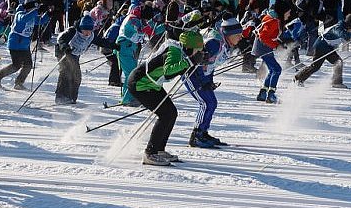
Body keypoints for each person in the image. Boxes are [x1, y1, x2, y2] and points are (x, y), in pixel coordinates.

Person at [128, 30, 204, 166]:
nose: (198, 53)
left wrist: (200, 76)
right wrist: (190, 61)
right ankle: (150, 153)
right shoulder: (175, 51)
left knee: (172, 113)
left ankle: (159, 150)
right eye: (197, 50)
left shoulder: (180, 51)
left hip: (150, 84)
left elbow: (181, 69)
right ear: (189, 47)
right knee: (165, 114)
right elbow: (169, 71)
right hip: (140, 83)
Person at [184, 17, 243, 148]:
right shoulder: (215, 43)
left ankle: (203, 132)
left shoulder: (223, 44)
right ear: (229, 34)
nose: (241, 38)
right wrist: (203, 82)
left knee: (212, 102)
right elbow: (198, 62)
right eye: (238, 35)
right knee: (206, 103)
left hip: (202, 76)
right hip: (191, 73)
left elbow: (210, 65)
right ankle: (196, 136)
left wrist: (209, 82)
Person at [53, 15, 118, 105]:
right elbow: (61, 40)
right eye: (85, 30)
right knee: (66, 72)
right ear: (81, 28)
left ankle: (72, 97)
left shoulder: (91, 36)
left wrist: (115, 46)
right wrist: (65, 47)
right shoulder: (73, 31)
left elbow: (102, 42)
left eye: (89, 30)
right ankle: (61, 97)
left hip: (75, 54)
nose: (87, 33)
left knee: (76, 76)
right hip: (63, 52)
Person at [0, 0, 48, 91]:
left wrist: (48, 13)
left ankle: (19, 83)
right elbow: (24, 19)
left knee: (28, 65)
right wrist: (37, 11)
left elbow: (40, 21)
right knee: (16, 65)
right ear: (29, 8)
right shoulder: (20, 14)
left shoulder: (32, 15)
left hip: (24, 45)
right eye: (33, 9)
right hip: (15, 43)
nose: (35, 11)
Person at [252, 0, 296, 104]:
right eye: (288, 13)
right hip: (263, 47)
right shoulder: (273, 21)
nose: (289, 15)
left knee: (273, 70)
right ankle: (271, 95)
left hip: (263, 47)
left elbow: (269, 35)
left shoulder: (272, 18)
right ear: (282, 11)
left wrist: (278, 43)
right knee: (277, 69)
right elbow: (263, 36)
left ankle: (263, 93)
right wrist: (276, 46)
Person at [294, 15, 351, 89]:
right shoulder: (338, 27)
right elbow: (340, 33)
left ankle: (336, 82)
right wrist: (347, 36)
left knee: (338, 61)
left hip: (327, 47)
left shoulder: (341, 26)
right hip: (321, 46)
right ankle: (298, 78)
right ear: (349, 27)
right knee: (315, 66)